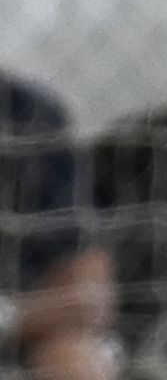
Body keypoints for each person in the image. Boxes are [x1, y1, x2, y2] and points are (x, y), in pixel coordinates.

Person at [0, 74, 116, 380]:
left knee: (70, 354)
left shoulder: (25, 112)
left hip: (21, 323)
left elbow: (86, 289)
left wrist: (16, 318)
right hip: (24, 317)